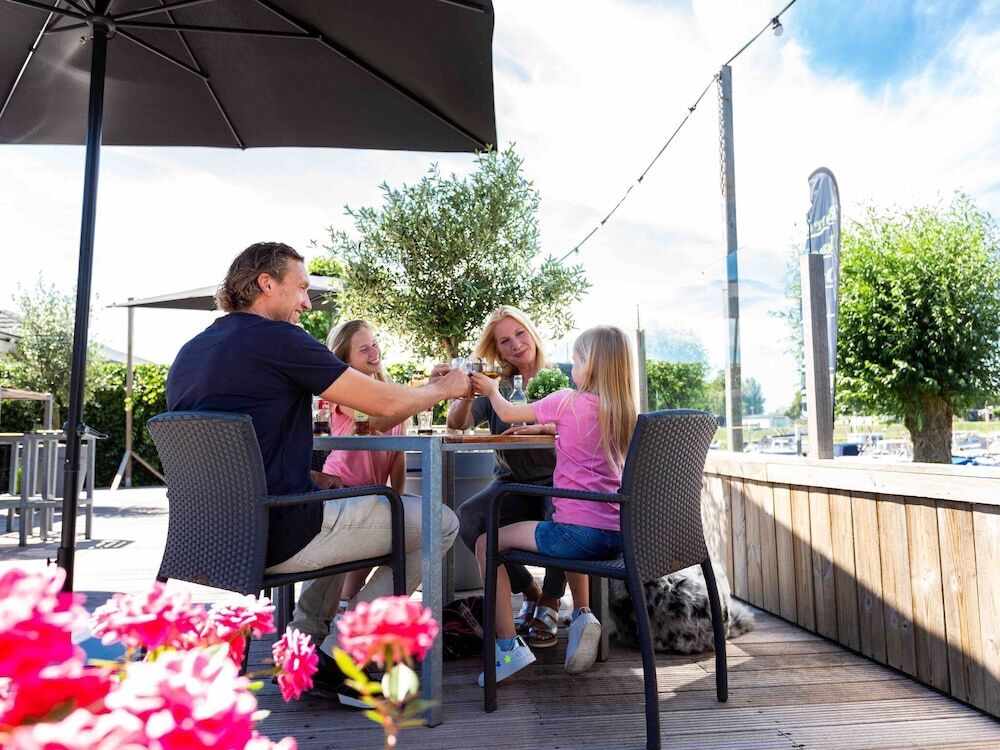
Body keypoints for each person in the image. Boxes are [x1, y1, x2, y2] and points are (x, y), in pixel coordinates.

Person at [166, 242, 468, 699]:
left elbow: (230, 455)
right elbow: (383, 403)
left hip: (213, 541)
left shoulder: (190, 352)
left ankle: (304, 646)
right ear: (267, 284)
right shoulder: (278, 339)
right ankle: (345, 654)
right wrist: (444, 388)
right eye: (302, 288)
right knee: (439, 521)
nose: (307, 303)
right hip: (278, 534)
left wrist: (309, 477)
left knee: (336, 501)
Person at [468, 325, 637, 685]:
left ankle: (507, 649)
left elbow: (509, 413)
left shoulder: (566, 400)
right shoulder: (624, 413)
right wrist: (546, 429)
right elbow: (578, 432)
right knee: (562, 521)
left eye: (577, 359)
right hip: (617, 538)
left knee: (486, 543)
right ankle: (583, 615)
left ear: (591, 364)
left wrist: (492, 390)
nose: (572, 367)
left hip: (575, 536)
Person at [446, 306, 567, 649]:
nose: (515, 344)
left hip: (558, 480)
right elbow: (457, 423)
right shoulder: (496, 385)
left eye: (520, 334)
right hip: (511, 483)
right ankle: (529, 590)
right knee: (470, 517)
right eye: (504, 341)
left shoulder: (564, 376)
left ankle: (551, 600)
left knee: (564, 514)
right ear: (497, 350)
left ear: (532, 333)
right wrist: (468, 393)